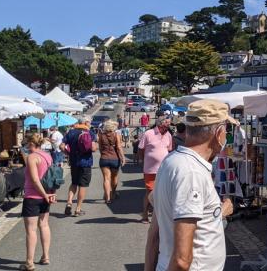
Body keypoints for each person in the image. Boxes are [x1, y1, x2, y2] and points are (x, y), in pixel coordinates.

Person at [145, 100, 236, 271]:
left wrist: (218, 212)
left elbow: (154, 235)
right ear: (218, 133)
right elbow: (181, 260)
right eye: (227, 130)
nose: (227, 136)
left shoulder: (172, 160)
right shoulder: (192, 172)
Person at [21, 133, 57, 271]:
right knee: (44, 225)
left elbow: (35, 180)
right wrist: (50, 194)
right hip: (46, 195)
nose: (25, 147)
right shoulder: (47, 156)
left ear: (30, 144)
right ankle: (45, 256)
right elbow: (53, 176)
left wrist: (44, 195)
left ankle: (29, 262)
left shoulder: (32, 157)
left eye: (26, 144)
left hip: (33, 196)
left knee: (31, 230)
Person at [138, 116, 173, 223]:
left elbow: (169, 150)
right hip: (150, 169)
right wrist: (142, 161)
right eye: (167, 123)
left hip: (164, 169)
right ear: (160, 124)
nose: (169, 125)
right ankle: (144, 215)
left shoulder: (168, 135)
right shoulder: (148, 133)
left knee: (162, 192)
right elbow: (141, 149)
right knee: (150, 192)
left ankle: (157, 216)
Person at [61, 116, 96, 217]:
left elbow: (62, 146)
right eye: (89, 122)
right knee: (83, 185)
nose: (90, 124)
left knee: (74, 183)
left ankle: (69, 202)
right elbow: (93, 148)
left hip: (74, 162)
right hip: (86, 162)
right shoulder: (90, 133)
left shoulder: (71, 132)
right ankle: (78, 209)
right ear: (85, 123)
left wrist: (68, 154)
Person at [98, 120, 126, 204]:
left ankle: (107, 198)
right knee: (114, 177)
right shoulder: (116, 135)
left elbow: (100, 147)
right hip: (114, 159)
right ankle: (113, 193)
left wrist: (103, 154)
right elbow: (119, 147)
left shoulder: (101, 135)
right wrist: (123, 157)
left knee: (106, 178)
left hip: (104, 158)